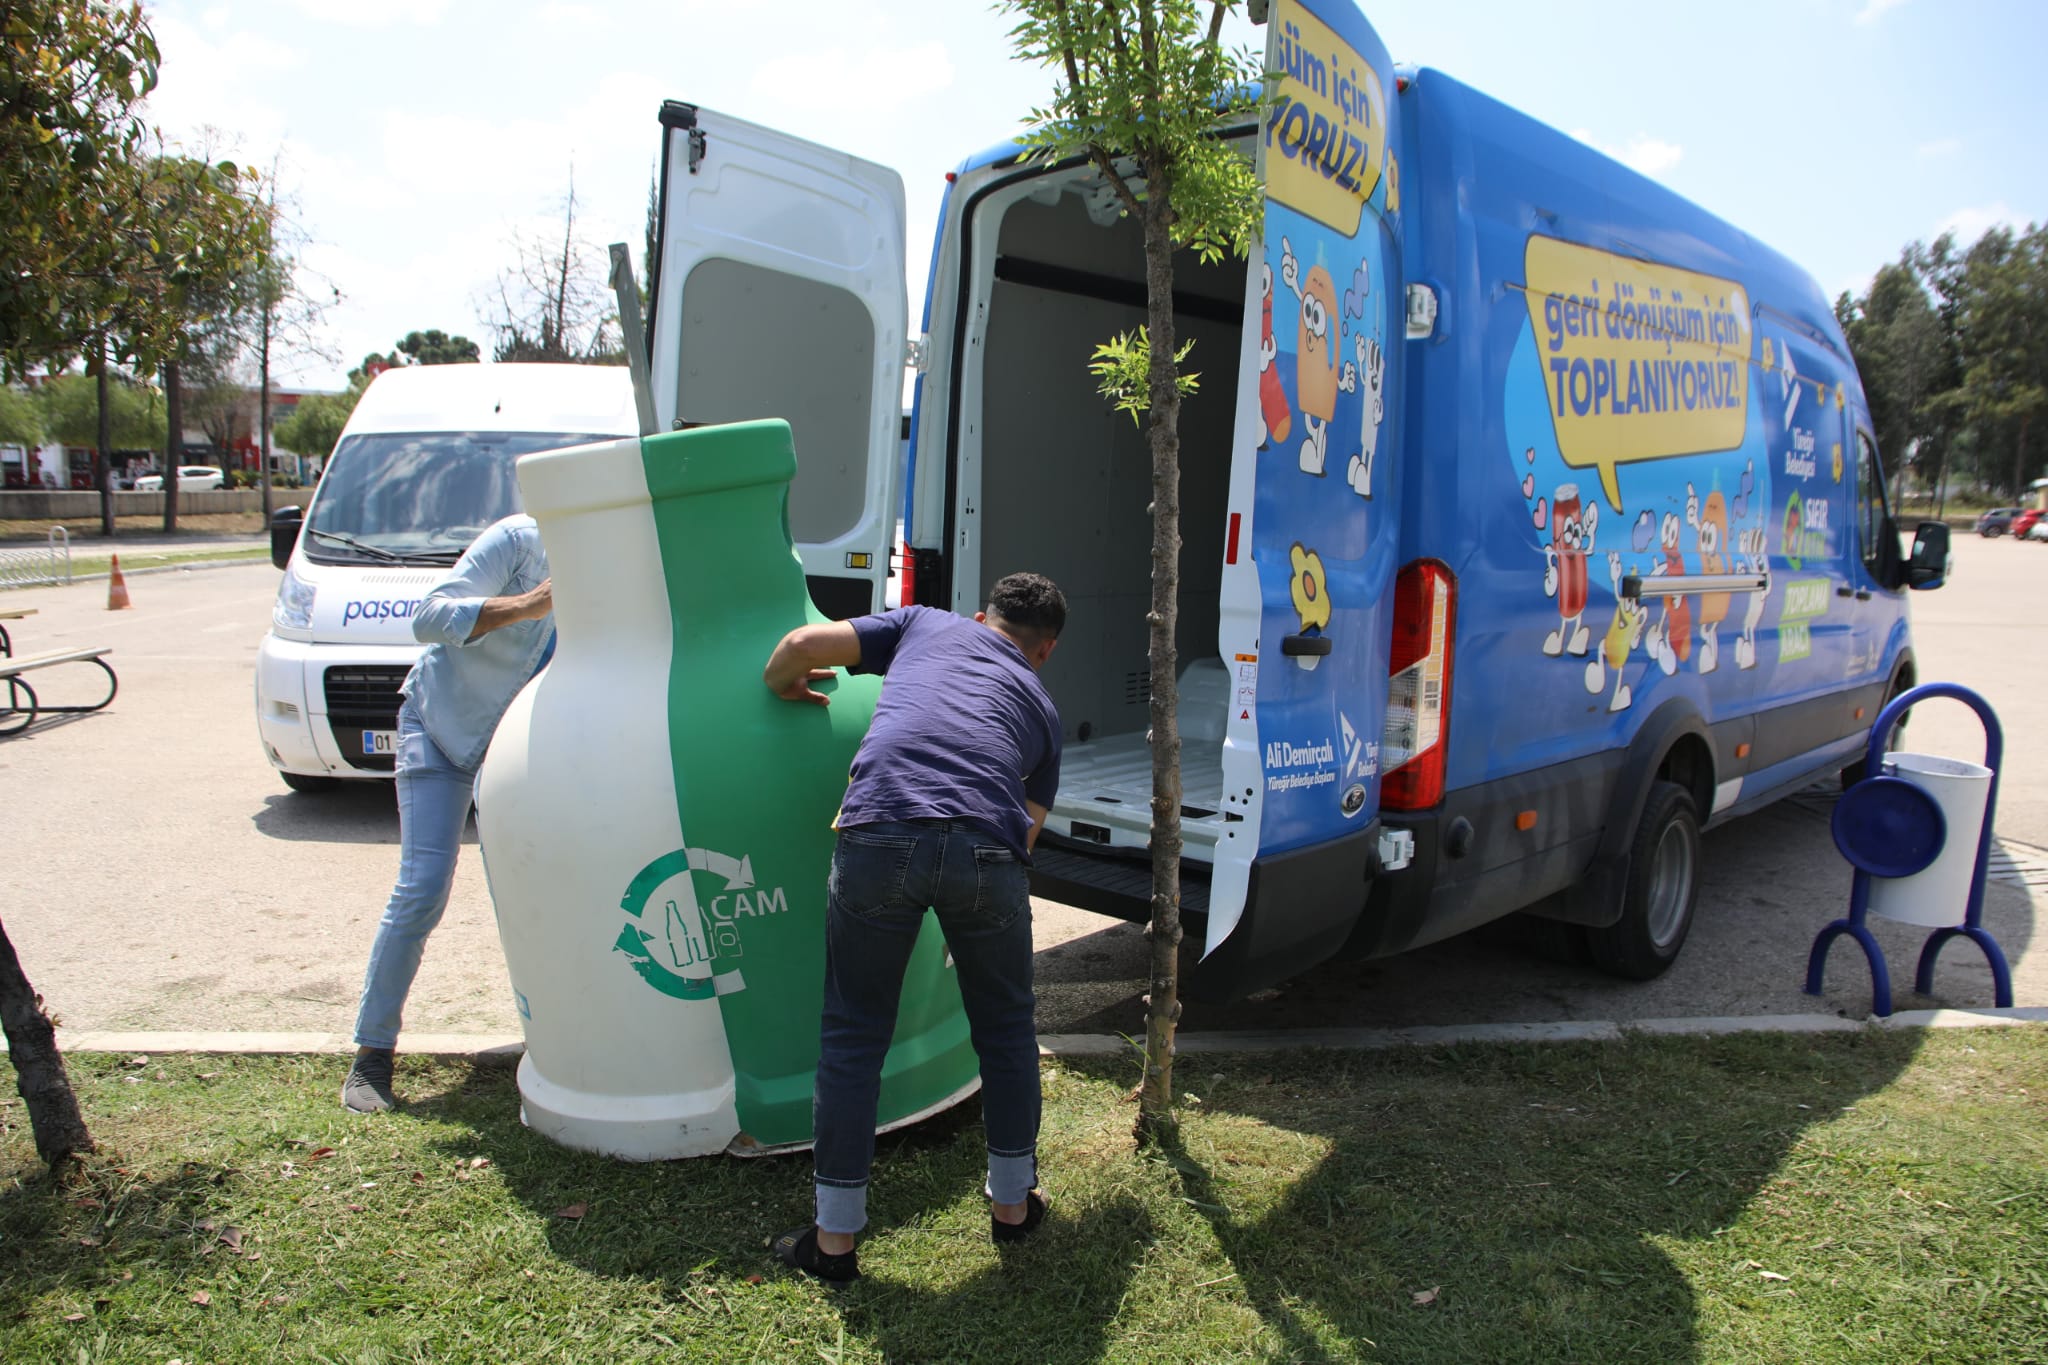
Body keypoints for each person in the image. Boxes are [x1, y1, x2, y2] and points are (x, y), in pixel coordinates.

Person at [761, 572, 1068, 1283]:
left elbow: (802, 645)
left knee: (854, 1030)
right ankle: (1014, 1206)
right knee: (1006, 1028)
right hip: (989, 850)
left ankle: (834, 1242)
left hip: (881, 830)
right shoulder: (1044, 713)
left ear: (979, 614)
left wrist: (784, 685)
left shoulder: (926, 623)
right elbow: (1026, 830)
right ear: (1044, 650)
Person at [340, 514, 555, 1113]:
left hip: (514, 753)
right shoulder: (520, 541)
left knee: (531, 891)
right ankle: (371, 1055)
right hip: (438, 728)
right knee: (422, 888)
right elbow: (428, 617)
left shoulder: (622, 565)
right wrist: (526, 604)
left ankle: (553, 1042)